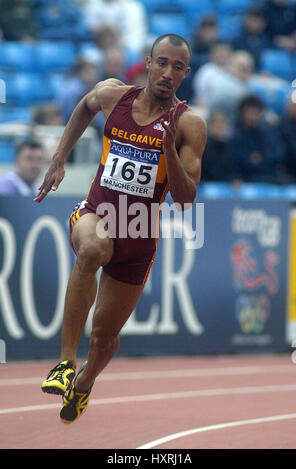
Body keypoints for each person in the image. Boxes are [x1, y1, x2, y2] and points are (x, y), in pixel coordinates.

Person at [36, 33, 207, 424]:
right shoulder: (114, 95)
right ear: (147, 63)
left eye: (177, 67)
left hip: (140, 235)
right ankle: (64, 363)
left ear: (185, 74)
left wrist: (168, 153)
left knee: (104, 338)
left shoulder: (190, 125)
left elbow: (185, 200)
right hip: (96, 214)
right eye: (161, 62)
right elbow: (84, 106)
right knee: (93, 251)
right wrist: (59, 159)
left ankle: (84, 383)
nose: (168, 73)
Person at [229, 94, 288, 184]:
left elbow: (279, 154)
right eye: (250, 112)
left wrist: (261, 159)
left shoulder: (269, 132)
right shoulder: (235, 135)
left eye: (256, 113)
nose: (253, 117)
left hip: (270, 175)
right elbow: (235, 160)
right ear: (242, 113)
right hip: (245, 177)